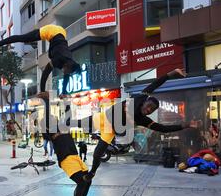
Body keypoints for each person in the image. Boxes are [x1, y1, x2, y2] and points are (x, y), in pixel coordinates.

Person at [63, 69, 191, 181]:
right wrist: (171, 74)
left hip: (110, 130)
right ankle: (65, 103)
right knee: (75, 123)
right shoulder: (141, 97)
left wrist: (183, 126)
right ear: (146, 102)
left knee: (97, 154)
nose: (148, 110)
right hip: (102, 118)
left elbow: (162, 129)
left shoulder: (143, 119)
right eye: (148, 107)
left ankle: (92, 173)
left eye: (151, 111)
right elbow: (155, 84)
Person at [0, 24, 82, 92]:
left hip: (61, 32)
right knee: (23, 38)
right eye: (66, 71)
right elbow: (45, 74)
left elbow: (67, 77)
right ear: (67, 66)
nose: (65, 73)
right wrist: (42, 91)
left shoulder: (71, 64)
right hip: (52, 31)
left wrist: (64, 92)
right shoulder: (58, 59)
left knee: (28, 40)